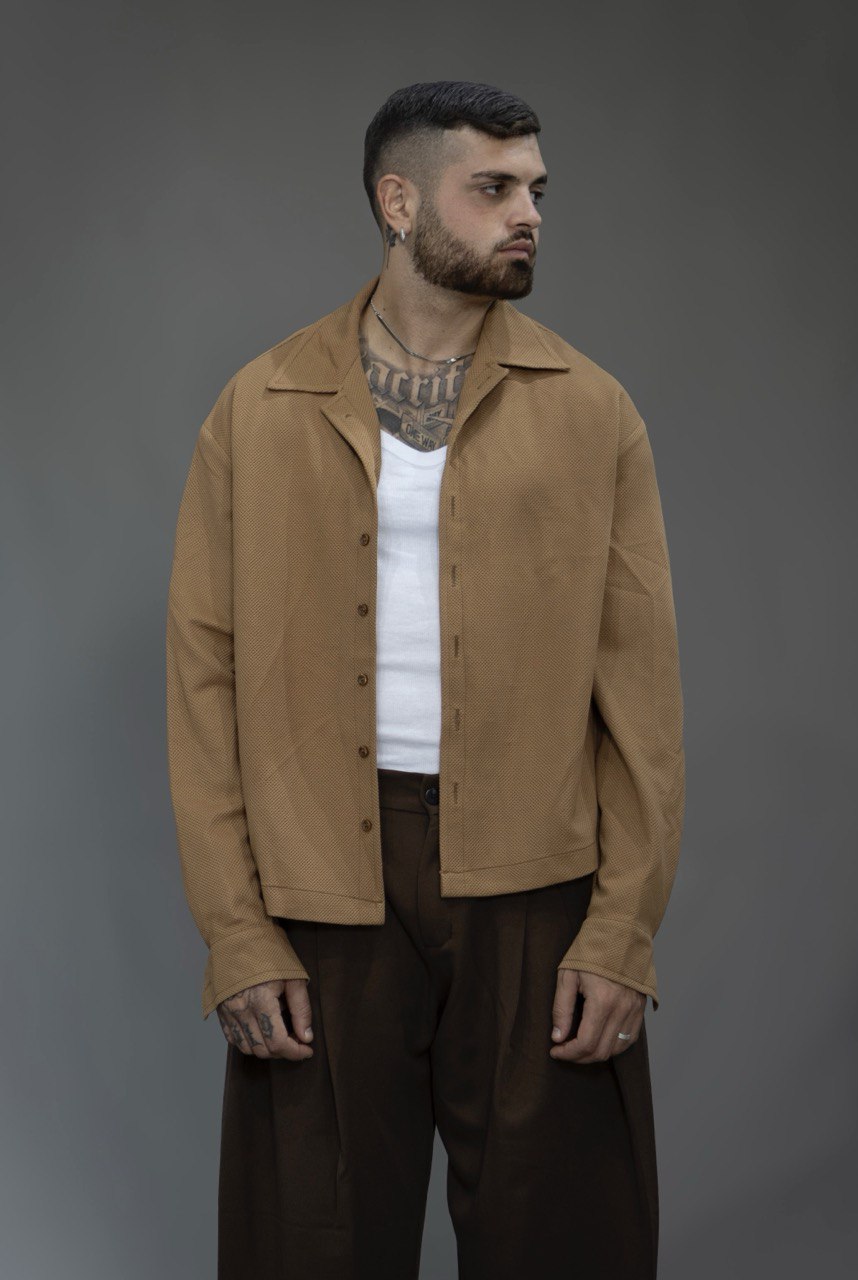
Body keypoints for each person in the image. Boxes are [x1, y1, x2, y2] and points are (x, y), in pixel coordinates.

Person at [165, 79, 685, 1279]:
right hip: (319, 887)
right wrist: (236, 932)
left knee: (562, 1240)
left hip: (538, 881)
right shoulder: (259, 406)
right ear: (397, 202)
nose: (528, 214)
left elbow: (642, 697)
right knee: (312, 1242)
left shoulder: (591, 411)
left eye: (535, 190)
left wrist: (621, 931)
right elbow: (203, 683)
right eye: (492, 188)